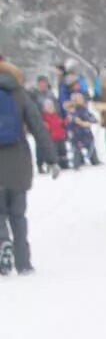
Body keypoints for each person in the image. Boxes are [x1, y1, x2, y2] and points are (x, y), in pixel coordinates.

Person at [0, 56, 51, 273]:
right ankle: (23, 261)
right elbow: (38, 126)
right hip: (19, 162)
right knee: (18, 214)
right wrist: (52, 157)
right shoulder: (20, 93)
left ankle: (3, 244)